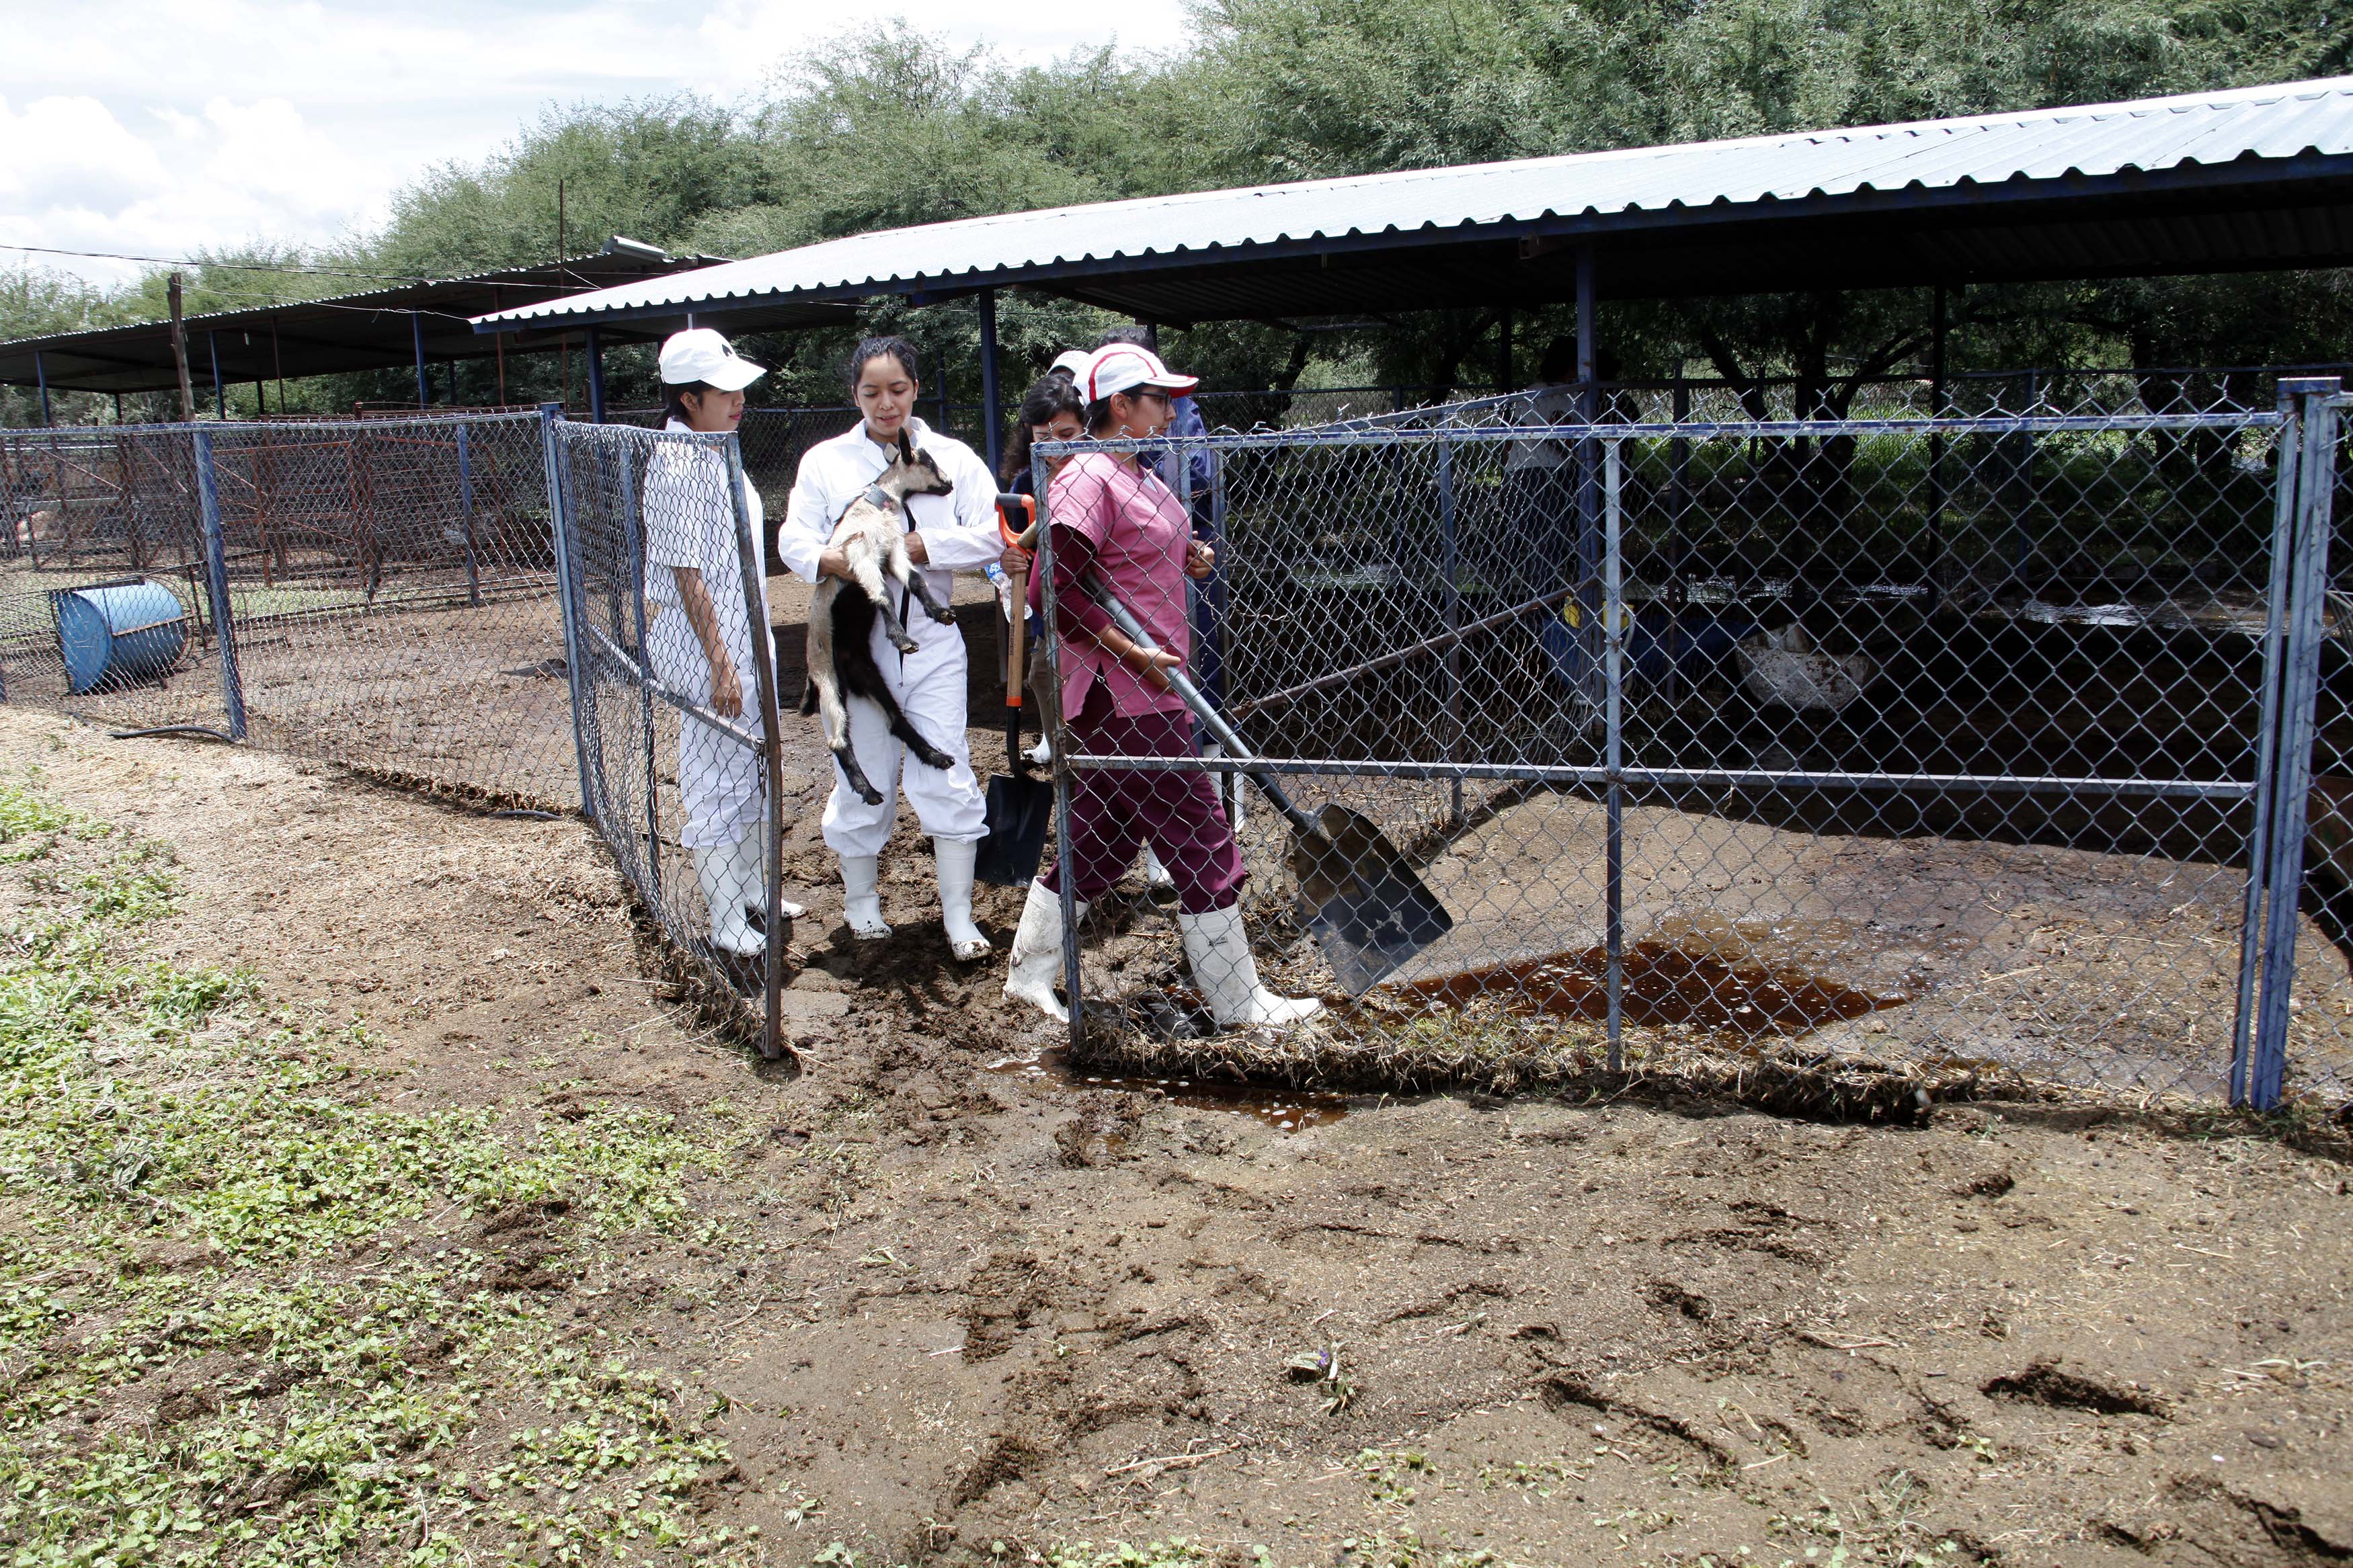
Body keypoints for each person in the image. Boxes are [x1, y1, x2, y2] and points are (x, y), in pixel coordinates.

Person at [1002, 343, 1320, 1030]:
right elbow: (1049, 586)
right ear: (1121, 406)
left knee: (1099, 840)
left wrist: (1189, 553)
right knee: (1204, 840)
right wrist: (1130, 651)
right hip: (1126, 695)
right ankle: (1238, 1001)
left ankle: (1026, 973)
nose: (1174, 408)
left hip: (1152, 686)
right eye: (1159, 397)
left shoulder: (1139, 473)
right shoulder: (1087, 475)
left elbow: (1133, 554)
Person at [779, 336, 1002, 961]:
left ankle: (958, 917)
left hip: (931, 642)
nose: (886, 404)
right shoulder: (825, 461)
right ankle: (861, 906)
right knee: (864, 773)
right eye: (872, 392)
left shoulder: (950, 457)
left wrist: (919, 549)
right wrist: (840, 560)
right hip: (857, 645)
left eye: (897, 390)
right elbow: (793, 538)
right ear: (855, 394)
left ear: (915, 389)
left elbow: (990, 534)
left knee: (948, 768)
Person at [641, 327, 804, 957]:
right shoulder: (679, 462)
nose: (738, 400)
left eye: (739, 388)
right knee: (714, 774)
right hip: (707, 647)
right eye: (724, 390)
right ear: (688, 398)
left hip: (741, 636)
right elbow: (685, 572)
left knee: (749, 770)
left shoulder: (716, 448)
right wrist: (719, 660)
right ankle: (723, 917)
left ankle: (749, 891)